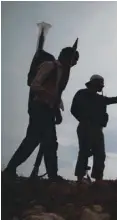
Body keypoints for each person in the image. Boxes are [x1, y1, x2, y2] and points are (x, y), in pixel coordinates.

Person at [3, 47, 79, 181]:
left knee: (41, 142)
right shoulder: (49, 66)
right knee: (39, 141)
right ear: (65, 57)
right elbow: (35, 85)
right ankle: (51, 175)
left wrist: (57, 112)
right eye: (74, 59)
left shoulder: (63, 74)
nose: (74, 64)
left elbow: (56, 93)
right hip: (39, 108)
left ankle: (13, 170)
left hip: (48, 110)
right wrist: (49, 97)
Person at [71, 74, 117, 182]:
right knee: (85, 152)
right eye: (100, 84)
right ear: (94, 83)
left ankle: (97, 180)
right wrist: (84, 120)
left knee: (99, 154)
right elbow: (73, 109)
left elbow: (115, 100)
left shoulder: (99, 98)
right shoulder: (82, 94)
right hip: (86, 127)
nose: (102, 87)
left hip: (97, 129)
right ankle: (81, 179)